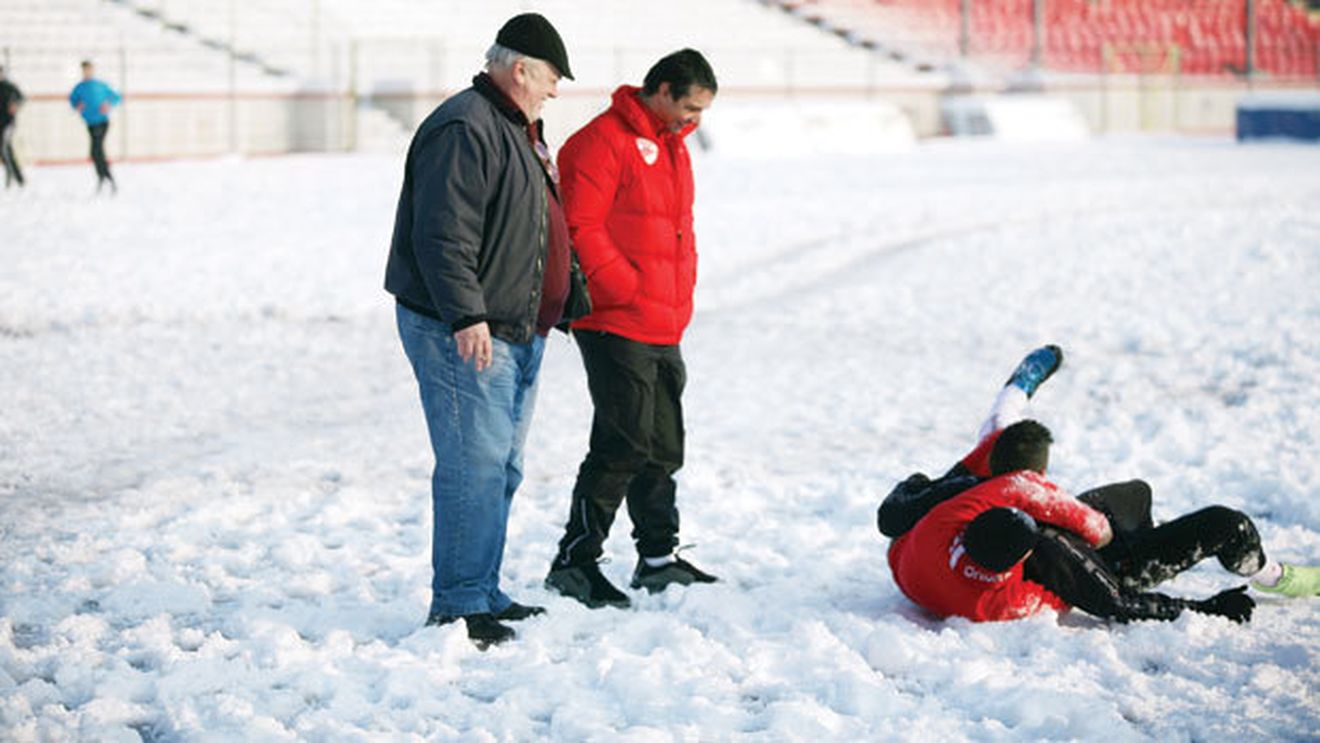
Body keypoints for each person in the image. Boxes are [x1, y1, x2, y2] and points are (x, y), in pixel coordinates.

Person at [384, 13, 590, 648]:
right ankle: (458, 603)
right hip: (467, 330)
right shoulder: (465, 125)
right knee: (473, 464)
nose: (556, 90)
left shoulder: (515, 127)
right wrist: (466, 314)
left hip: (517, 327)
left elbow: (531, 228)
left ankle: (483, 588)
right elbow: (444, 231)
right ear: (520, 68)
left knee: (500, 466)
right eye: (552, 76)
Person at [878, 346, 1318, 625]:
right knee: (1228, 525)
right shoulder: (1006, 588)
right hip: (1095, 562)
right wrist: (1204, 610)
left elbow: (1006, 406)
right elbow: (1113, 599)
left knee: (1137, 492)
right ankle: (1271, 575)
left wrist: (1035, 369)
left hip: (1035, 538)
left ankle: (1145, 534)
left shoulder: (933, 530)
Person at [543, 49, 719, 609]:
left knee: (663, 445)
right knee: (622, 443)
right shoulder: (599, 142)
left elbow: (678, 230)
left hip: (663, 321)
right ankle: (574, 563)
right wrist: (625, 287)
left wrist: (676, 294)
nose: (693, 120)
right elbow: (577, 224)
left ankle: (658, 558)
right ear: (661, 90)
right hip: (615, 320)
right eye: (689, 106)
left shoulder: (672, 148)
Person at [69, 60, 121, 193]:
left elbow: (117, 97)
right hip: (90, 124)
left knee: (97, 150)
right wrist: (77, 105)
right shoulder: (79, 87)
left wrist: (108, 104)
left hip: (102, 122)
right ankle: (103, 178)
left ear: (92, 70)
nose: (87, 72)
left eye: (89, 69)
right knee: (94, 152)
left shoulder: (100, 85)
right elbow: (73, 100)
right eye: (84, 70)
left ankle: (108, 179)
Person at [1, 66, 25, 189]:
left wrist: (15, 104)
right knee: (6, 151)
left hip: (8, 124)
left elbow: (21, 98)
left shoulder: (9, 87)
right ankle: (15, 176)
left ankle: (18, 178)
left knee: (4, 148)